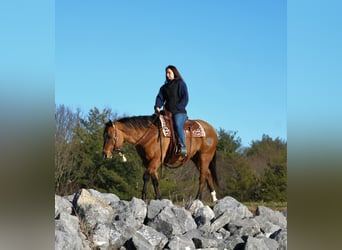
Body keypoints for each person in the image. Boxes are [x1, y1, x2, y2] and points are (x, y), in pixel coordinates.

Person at [154, 65, 189, 156]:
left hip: (179, 112)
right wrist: (157, 106)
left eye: (169, 72)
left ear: (174, 73)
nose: (167, 74)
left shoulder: (180, 83)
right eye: (166, 73)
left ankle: (183, 146)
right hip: (167, 112)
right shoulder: (164, 87)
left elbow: (185, 98)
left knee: (177, 124)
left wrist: (178, 107)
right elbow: (160, 97)